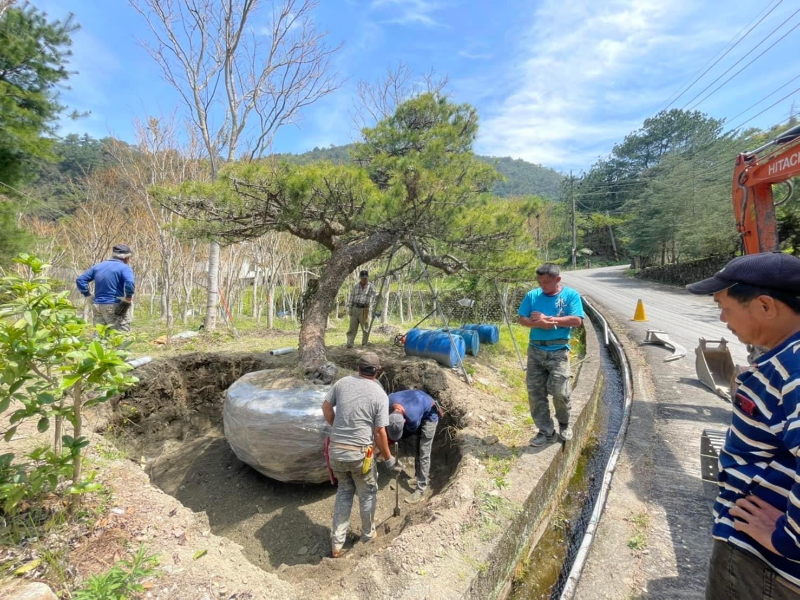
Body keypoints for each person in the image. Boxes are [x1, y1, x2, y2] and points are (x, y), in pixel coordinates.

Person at [686, 252, 800, 598]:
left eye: (725, 306)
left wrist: (787, 539)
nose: (722, 318)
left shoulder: (792, 370)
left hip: (764, 566)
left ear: (765, 306)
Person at [322, 352, 399, 558]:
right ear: (377, 371)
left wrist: (337, 429)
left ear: (358, 368)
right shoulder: (379, 394)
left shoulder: (342, 383)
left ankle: (337, 544)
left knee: (344, 491)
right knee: (367, 492)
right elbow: (380, 431)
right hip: (359, 456)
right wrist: (389, 459)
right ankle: (367, 536)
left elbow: (326, 407)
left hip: (336, 451)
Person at [518, 263, 584, 447]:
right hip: (536, 349)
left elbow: (576, 320)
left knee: (560, 392)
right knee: (535, 393)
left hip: (559, 350)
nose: (542, 285)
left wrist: (551, 320)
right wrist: (538, 324)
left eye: (546, 282)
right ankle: (545, 431)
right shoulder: (532, 296)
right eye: (539, 281)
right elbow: (522, 319)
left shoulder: (570, 295)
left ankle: (564, 423)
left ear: (558, 280)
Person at [386, 389, 441, 504]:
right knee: (417, 446)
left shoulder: (412, 417)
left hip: (430, 416)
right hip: (418, 402)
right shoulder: (388, 400)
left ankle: (421, 490)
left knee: (423, 451)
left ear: (405, 420)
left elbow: (410, 431)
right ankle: (417, 477)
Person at [76, 244, 136, 332]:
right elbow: (130, 283)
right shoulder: (124, 268)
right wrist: (128, 298)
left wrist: (87, 295)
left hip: (97, 306)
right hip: (114, 306)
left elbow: (80, 280)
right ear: (126, 258)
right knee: (122, 337)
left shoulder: (98, 266)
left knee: (100, 337)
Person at [346, 270, 376, 348]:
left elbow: (375, 297)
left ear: (368, 278)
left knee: (365, 328)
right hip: (355, 308)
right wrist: (350, 308)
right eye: (363, 278)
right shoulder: (356, 286)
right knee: (352, 327)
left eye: (366, 278)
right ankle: (349, 343)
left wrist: (378, 297)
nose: (364, 279)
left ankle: (364, 344)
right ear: (360, 278)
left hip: (365, 309)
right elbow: (352, 297)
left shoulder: (371, 287)